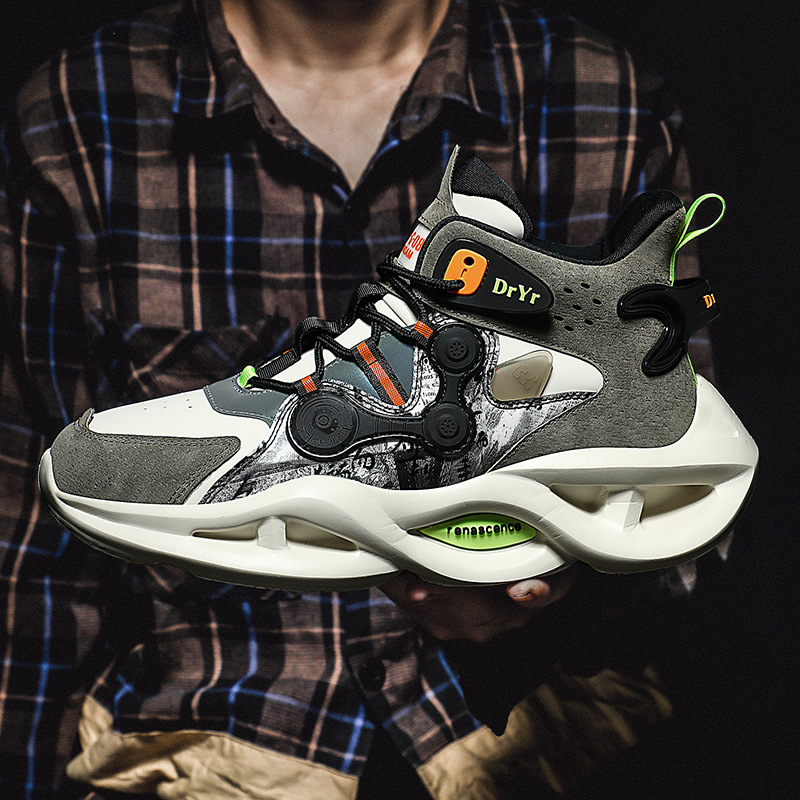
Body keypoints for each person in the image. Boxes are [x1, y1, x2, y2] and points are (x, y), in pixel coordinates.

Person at [0, 1, 720, 798]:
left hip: (542, 740)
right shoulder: (80, 108)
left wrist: (565, 583)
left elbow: (672, 465)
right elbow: (29, 549)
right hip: (200, 745)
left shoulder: (603, 94)